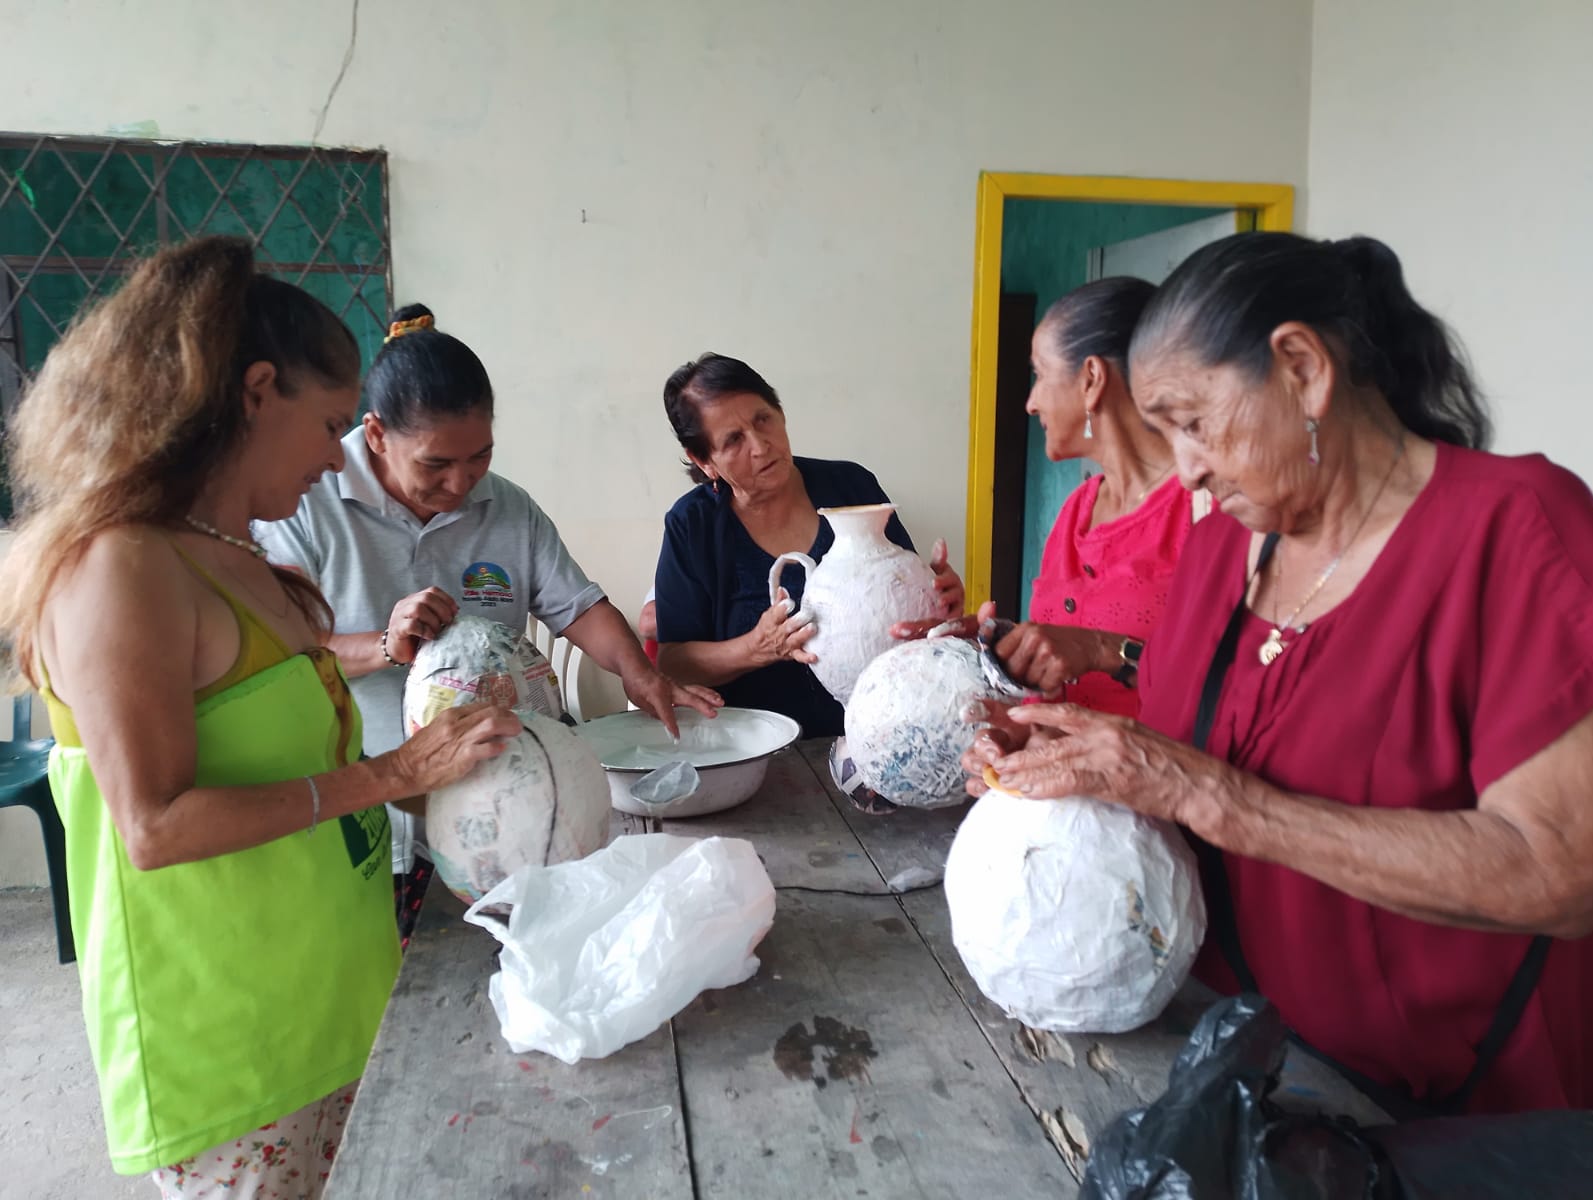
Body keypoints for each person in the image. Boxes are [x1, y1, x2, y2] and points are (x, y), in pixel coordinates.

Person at [966, 232, 1593, 1114]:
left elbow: (1561, 873)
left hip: (1446, 1110)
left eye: (1193, 423)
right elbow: (1186, 763)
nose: (1187, 467)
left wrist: (1216, 798)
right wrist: (1068, 763)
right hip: (1236, 1062)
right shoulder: (1220, 550)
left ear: (1302, 369)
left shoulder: (1513, 527)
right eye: (1165, 433)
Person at [0, 237, 522, 1195]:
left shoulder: (237, 555)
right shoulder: (120, 566)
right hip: (234, 1041)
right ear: (255, 392)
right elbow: (154, 826)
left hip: (334, 995)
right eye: (328, 425)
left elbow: (304, 766)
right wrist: (396, 772)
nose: (335, 457)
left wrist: (484, 788)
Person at [256, 305, 719, 934]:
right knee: (399, 969)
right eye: (435, 465)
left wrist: (641, 675)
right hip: (369, 805)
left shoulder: (506, 507)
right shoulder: (307, 500)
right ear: (376, 435)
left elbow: (578, 607)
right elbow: (281, 653)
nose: (460, 483)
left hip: (511, 817)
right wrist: (386, 645)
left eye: (479, 456)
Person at [900, 278, 1210, 717]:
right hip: (1050, 757)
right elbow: (1065, 655)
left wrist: (1102, 649)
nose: (1030, 403)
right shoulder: (1078, 511)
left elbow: (1238, 693)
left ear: (1092, 379)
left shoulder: (1208, 509)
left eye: (1040, 375)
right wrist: (998, 648)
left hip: (1155, 763)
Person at [652, 353, 964, 744]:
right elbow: (673, 663)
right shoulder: (692, 525)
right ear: (704, 460)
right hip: (754, 746)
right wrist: (756, 648)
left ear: (780, 413)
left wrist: (936, 602)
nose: (760, 446)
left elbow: (905, 609)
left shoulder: (852, 488)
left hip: (876, 732)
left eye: (763, 419)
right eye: (733, 440)